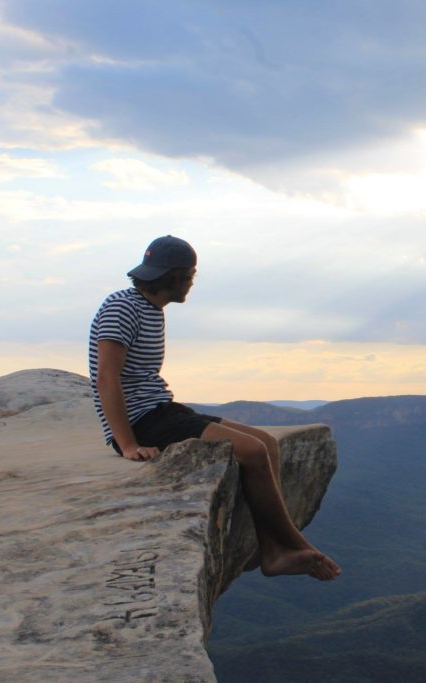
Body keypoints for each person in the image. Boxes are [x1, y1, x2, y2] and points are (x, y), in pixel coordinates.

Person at [89, 235, 340, 581]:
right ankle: (295, 545)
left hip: (161, 409)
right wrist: (128, 444)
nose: (192, 284)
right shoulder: (123, 307)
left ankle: (272, 550)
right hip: (142, 421)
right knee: (251, 450)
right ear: (173, 277)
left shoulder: (149, 309)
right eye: (190, 276)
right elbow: (106, 377)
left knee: (266, 443)